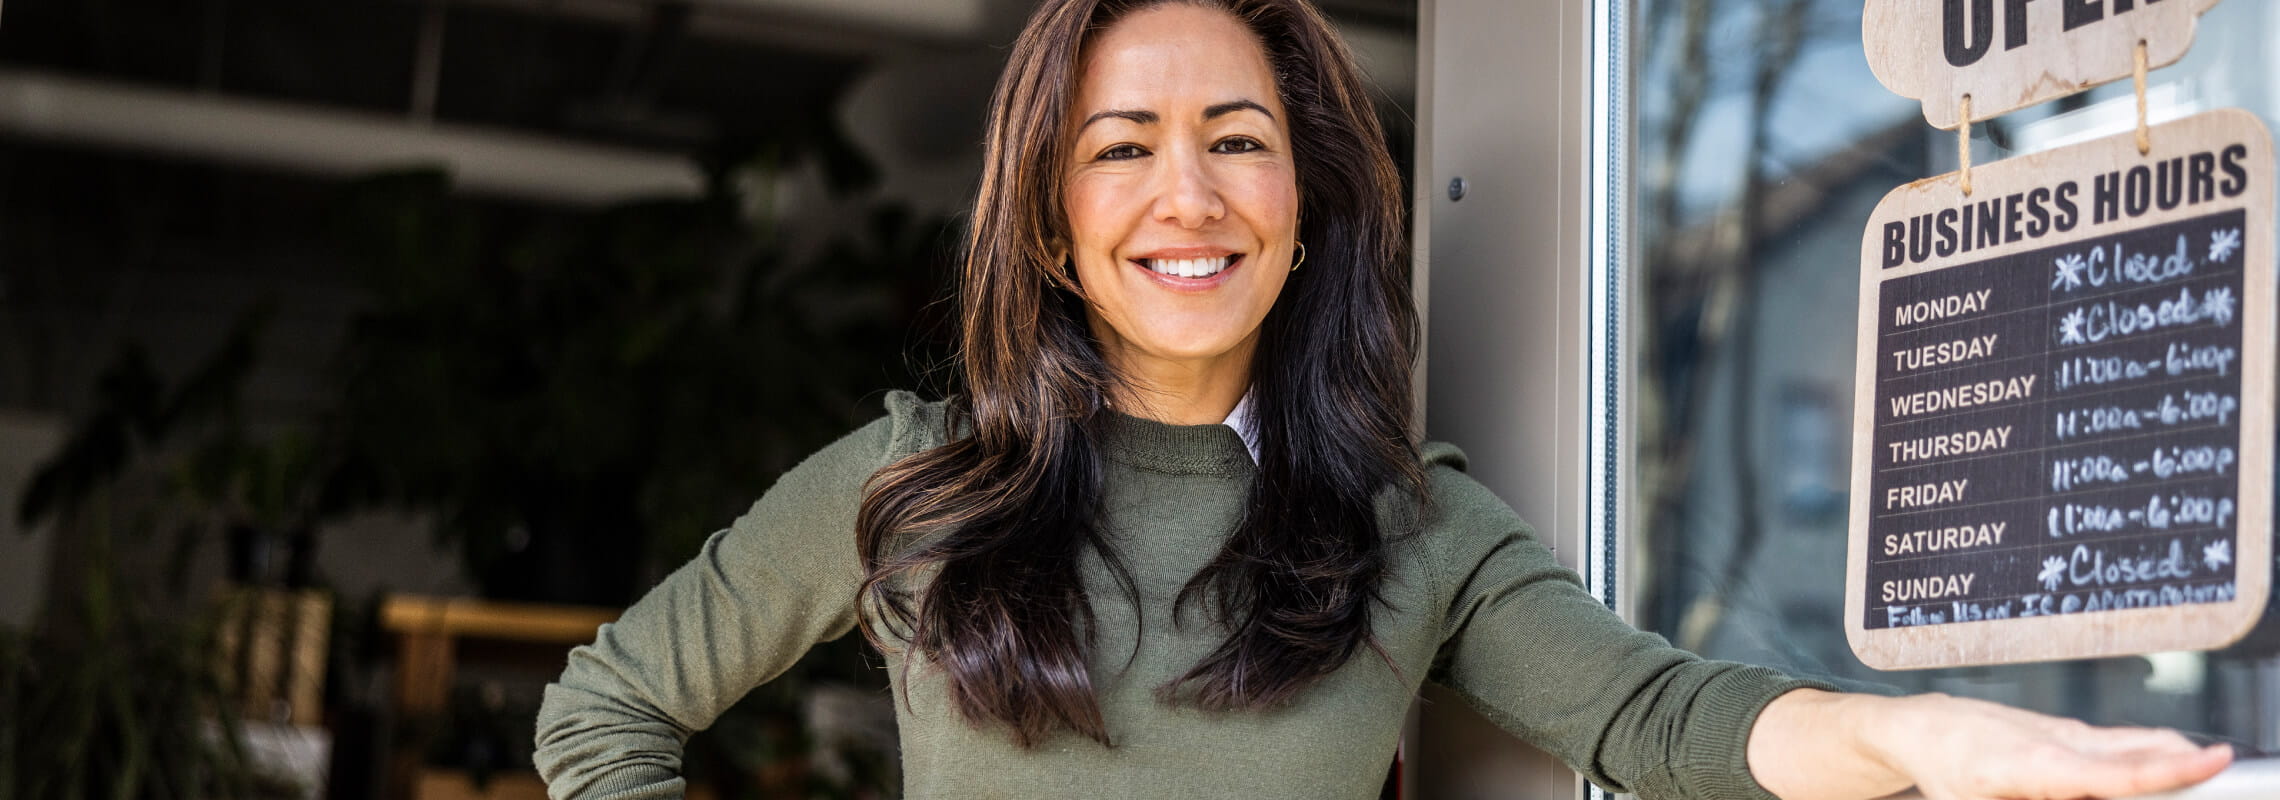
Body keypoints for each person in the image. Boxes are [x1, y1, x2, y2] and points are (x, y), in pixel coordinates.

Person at [534, 1, 2237, 798]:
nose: (1184, 197)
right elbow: (602, 711)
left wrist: (1919, 734)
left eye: (1238, 141)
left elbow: (1662, 720)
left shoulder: (1410, 533)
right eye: (1122, 150)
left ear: (1310, 207)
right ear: (1052, 225)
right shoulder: (913, 490)